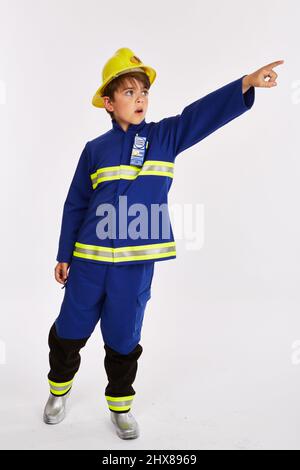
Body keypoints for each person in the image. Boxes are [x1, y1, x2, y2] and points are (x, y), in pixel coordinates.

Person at [43, 47, 284, 439]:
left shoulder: (165, 136)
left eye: (144, 93)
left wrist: (245, 84)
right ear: (108, 102)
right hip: (88, 261)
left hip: (136, 264)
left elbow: (199, 115)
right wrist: (63, 254)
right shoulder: (94, 150)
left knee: (124, 336)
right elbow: (75, 204)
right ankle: (58, 391)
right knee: (70, 330)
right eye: (129, 92)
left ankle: (120, 407)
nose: (140, 99)